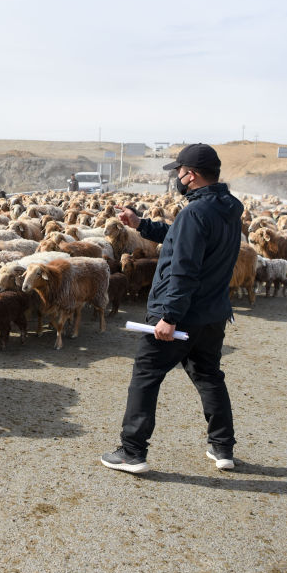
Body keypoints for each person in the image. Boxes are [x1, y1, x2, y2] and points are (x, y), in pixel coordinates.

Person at [101, 143, 242, 473]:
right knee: (209, 375)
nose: (177, 177)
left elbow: (185, 267)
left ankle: (132, 452)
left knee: (146, 375)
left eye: (179, 171)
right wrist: (141, 224)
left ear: (190, 175)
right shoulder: (228, 208)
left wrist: (170, 317)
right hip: (213, 313)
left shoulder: (194, 212)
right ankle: (222, 448)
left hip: (181, 313)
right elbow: (183, 238)